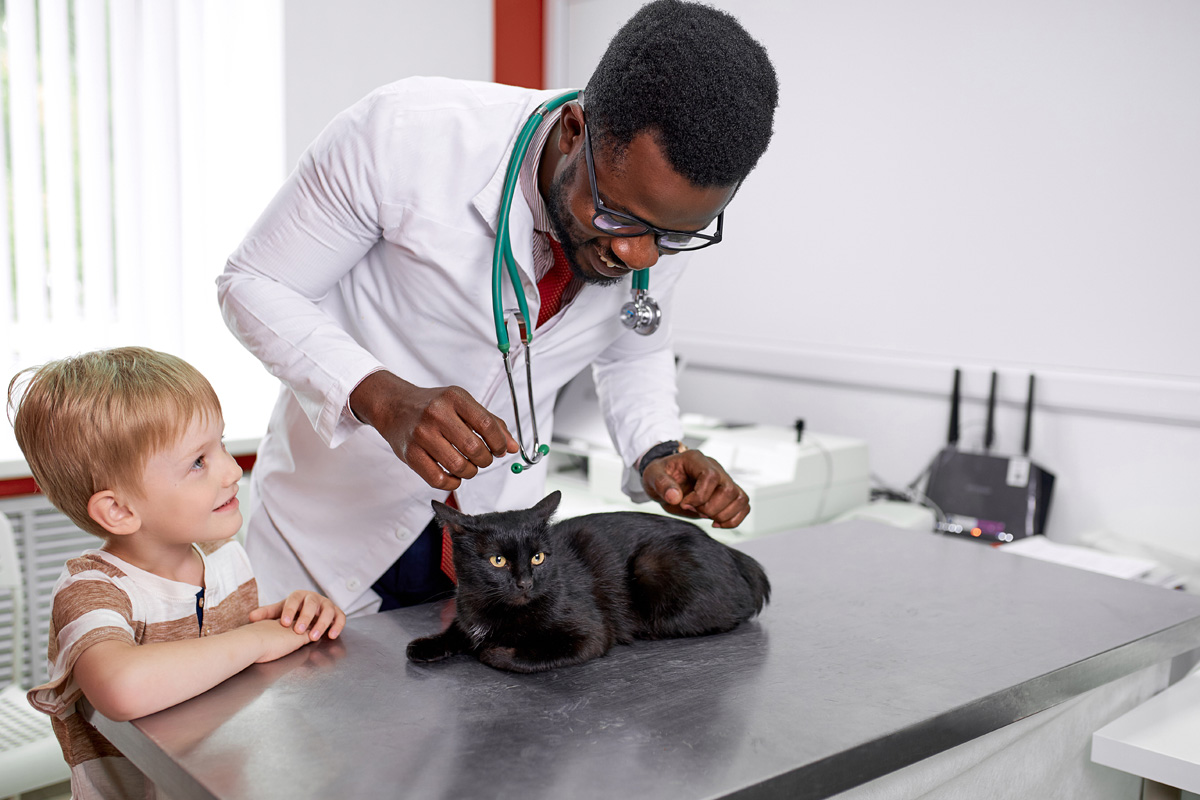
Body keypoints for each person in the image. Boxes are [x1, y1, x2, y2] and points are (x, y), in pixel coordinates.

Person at [217, 0, 779, 616]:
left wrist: (657, 453)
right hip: (325, 540)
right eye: (616, 216)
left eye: (671, 235)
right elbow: (254, 282)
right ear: (573, 131)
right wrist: (379, 395)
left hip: (503, 548)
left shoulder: (659, 216)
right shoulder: (405, 134)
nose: (635, 253)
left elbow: (632, 345)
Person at [6, 347, 346, 800]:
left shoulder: (224, 557)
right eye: (198, 462)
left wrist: (288, 617)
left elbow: (232, 667)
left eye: (221, 444)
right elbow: (121, 688)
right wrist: (258, 640)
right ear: (119, 510)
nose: (230, 470)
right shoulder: (92, 589)